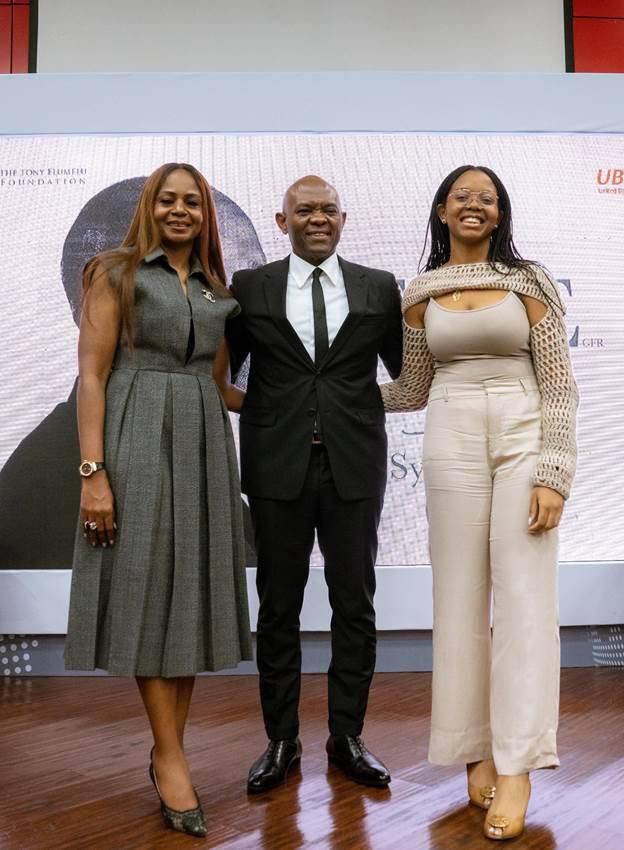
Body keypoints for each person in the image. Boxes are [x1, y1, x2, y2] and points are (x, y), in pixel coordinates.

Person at [381, 165, 578, 840]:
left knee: (524, 600)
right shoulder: (419, 293)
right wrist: (324, 392)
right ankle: (477, 749)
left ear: (499, 215)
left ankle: (518, 767)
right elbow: (409, 387)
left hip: (523, 434)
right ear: (441, 211)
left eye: (486, 199)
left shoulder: (529, 283)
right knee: (459, 598)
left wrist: (554, 470)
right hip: (449, 433)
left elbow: (558, 386)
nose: (474, 205)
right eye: (462, 196)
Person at [63, 163, 253, 838]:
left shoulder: (217, 293)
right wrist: (94, 473)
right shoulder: (112, 272)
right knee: (145, 590)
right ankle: (171, 756)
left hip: (203, 444)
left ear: (205, 214)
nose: (180, 211)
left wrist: (308, 400)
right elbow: (91, 375)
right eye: (169, 200)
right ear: (150, 206)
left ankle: (168, 750)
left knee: (186, 595)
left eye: (192, 203)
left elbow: (225, 388)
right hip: (134, 435)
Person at [227, 175, 403, 793]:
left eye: (328, 209)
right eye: (305, 211)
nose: (318, 218)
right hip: (277, 468)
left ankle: (347, 736)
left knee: (354, 603)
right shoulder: (249, 289)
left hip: (355, 464)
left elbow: (407, 374)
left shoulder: (380, 288)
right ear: (283, 222)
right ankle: (280, 741)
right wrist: (271, 414)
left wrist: (353, 409)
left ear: (344, 218)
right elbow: (224, 371)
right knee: (279, 606)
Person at [0, 177, 265, 571]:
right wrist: (93, 475)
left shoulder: (204, 466)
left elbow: (221, 387)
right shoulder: (39, 485)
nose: (247, 319)